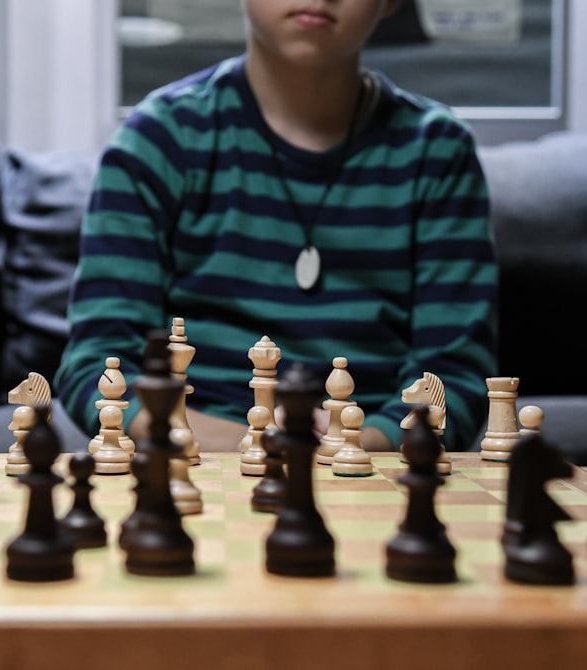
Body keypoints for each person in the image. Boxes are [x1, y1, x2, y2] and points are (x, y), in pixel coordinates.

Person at [56, 0, 497, 453]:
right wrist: (257, 447)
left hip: (369, 465)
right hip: (195, 459)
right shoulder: (159, 139)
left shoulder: (438, 151)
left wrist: (355, 444)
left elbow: (453, 375)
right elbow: (95, 365)